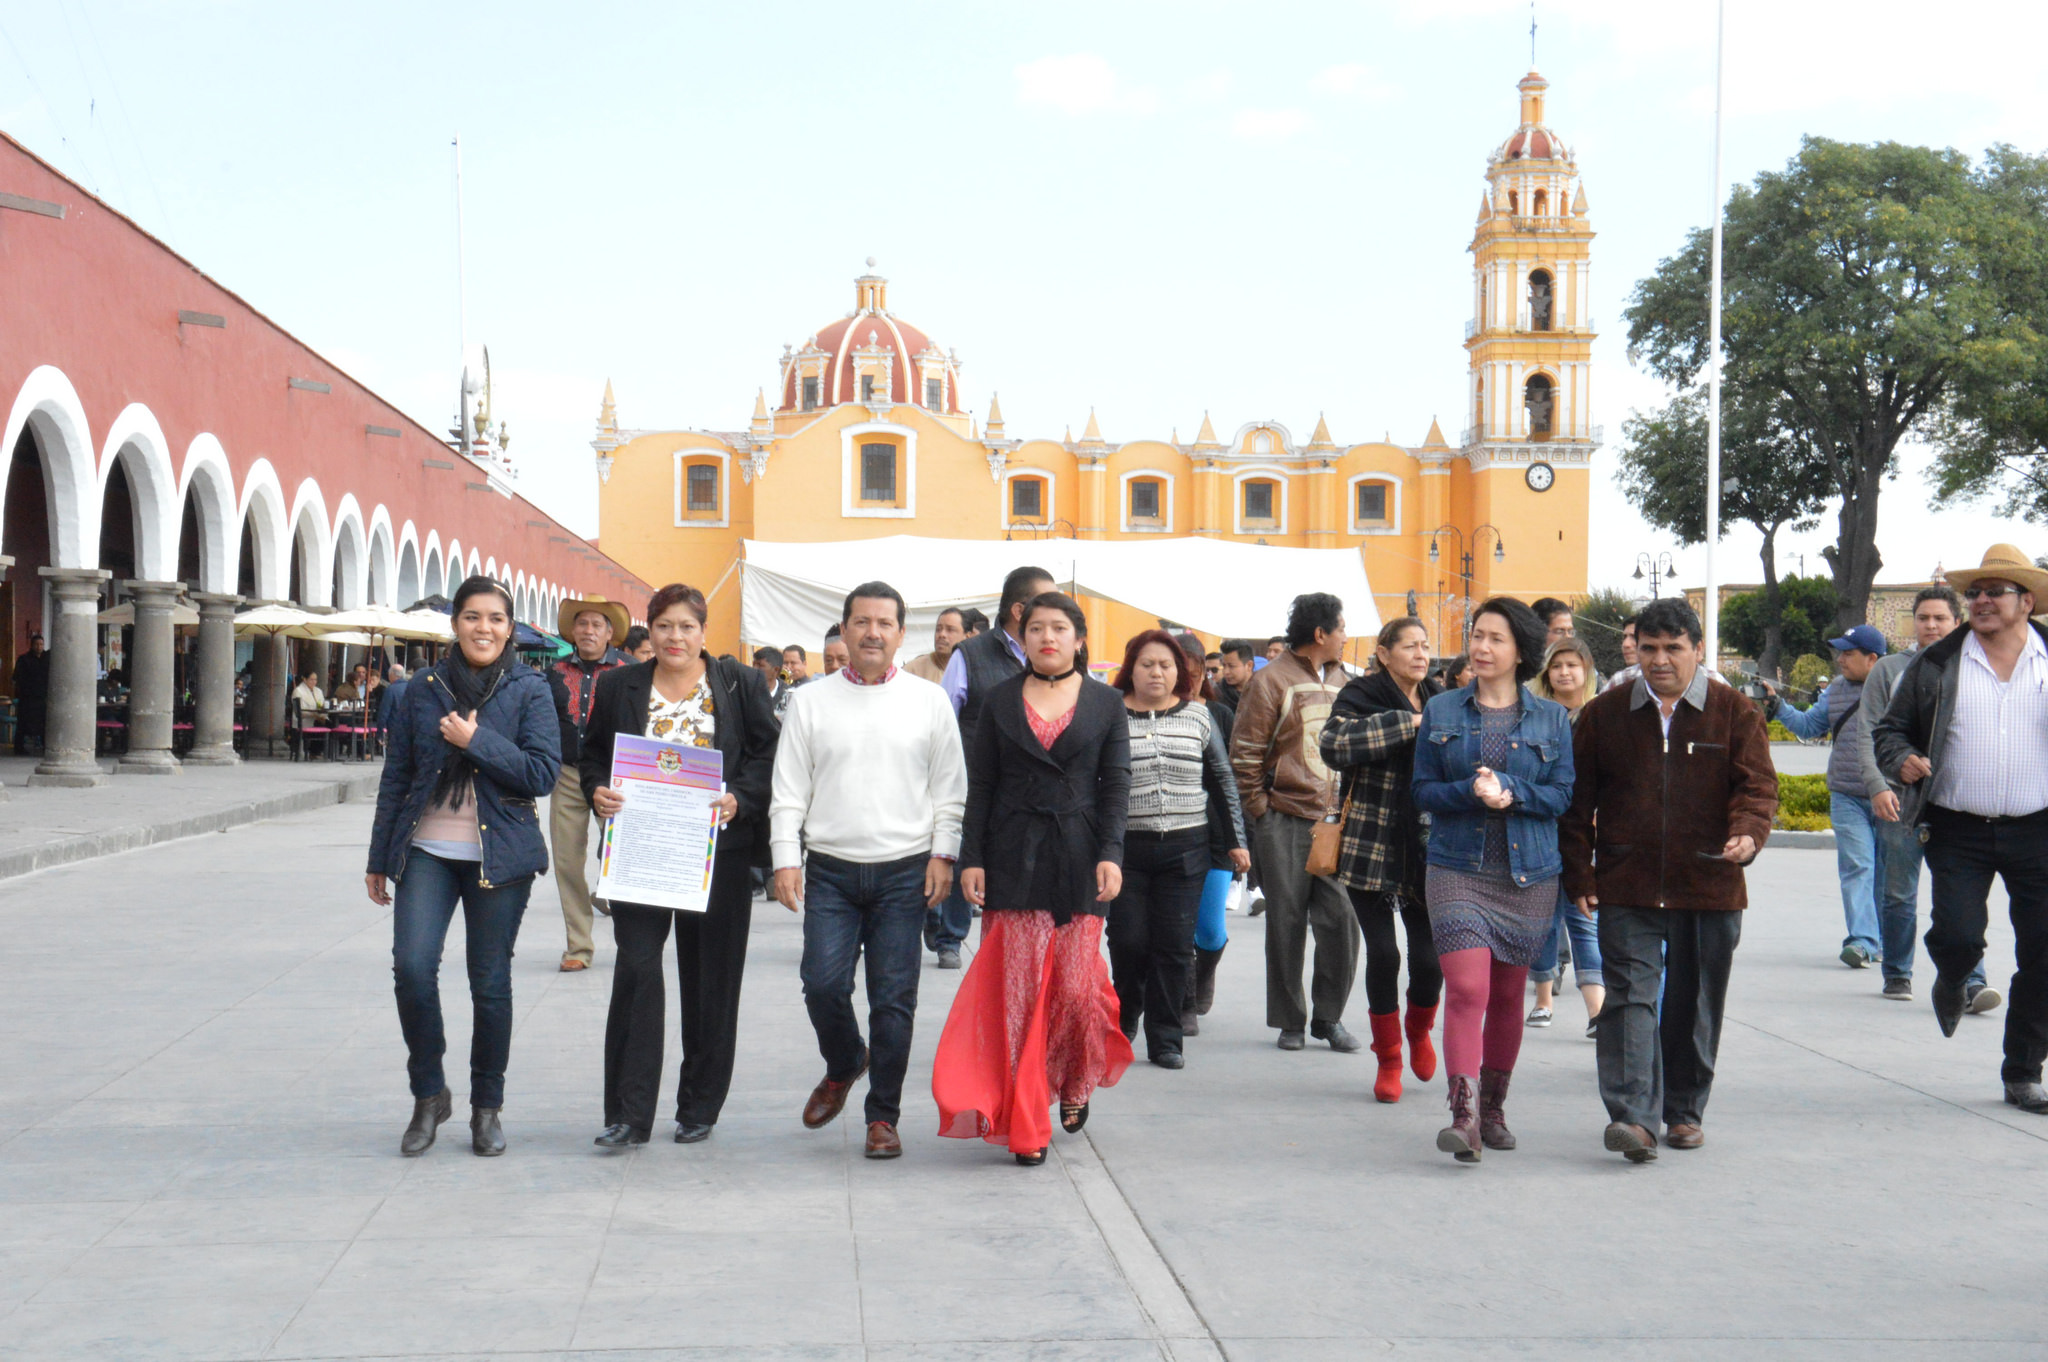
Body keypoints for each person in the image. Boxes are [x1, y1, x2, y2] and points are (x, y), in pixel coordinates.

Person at [1563, 599, 1777, 1162]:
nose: (1659, 660)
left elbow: (1757, 789)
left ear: (1698, 651)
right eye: (1649, 648)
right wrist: (1580, 872)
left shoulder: (1735, 713)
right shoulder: (1604, 715)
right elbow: (1575, 802)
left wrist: (1749, 835)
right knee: (1630, 999)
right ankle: (1634, 1119)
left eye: (1673, 649)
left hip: (1708, 883)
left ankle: (1683, 1110)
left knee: (1694, 1002)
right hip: (1625, 880)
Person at [365, 575, 561, 1158]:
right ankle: (429, 1095)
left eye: (496, 619)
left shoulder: (530, 690)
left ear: (511, 628)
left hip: (500, 853)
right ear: (455, 624)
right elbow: (396, 776)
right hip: (426, 848)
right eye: (473, 617)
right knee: (412, 968)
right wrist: (379, 856)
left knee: (489, 983)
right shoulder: (419, 690)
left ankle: (486, 1107)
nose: (484, 628)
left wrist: (477, 741)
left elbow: (542, 774)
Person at [934, 592, 1132, 1164]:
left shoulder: (1104, 702)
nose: (1047, 636)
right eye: (1036, 628)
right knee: (1019, 991)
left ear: (1079, 640)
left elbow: (1115, 786)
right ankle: (1028, 1116)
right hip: (1012, 854)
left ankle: (1075, 1078)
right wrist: (971, 858)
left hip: (1080, 855)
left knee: (1073, 987)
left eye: (1059, 628)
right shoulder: (999, 700)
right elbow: (983, 786)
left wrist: (1112, 853)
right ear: (1021, 638)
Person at [771, 581, 966, 1160]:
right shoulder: (810, 701)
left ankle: (883, 1115)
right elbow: (789, 791)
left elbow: (948, 789)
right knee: (823, 984)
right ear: (844, 630)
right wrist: (786, 858)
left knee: (894, 999)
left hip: (904, 872)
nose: (873, 632)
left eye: (885, 623)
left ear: (902, 634)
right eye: (861, 622)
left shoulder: (928, 702)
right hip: (830, 869)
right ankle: (843, 1060)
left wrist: (943, 853)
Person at [583, 583, 779, 1146]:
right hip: (642, 850)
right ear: (650, 630)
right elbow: (593, 754)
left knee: (710, 980)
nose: (675, 637)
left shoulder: (737, 683)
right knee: (638, 970)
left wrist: (740, 796)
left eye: (686, 626)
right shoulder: (621, 685)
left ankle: (699, 1104)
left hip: (717, 851)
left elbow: (769, 753)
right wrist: (599, 789)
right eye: (664, 625)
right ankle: (627, 1112)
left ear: (703, 630)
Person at [1872, 545, 2048, 1115]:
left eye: (1994, 591)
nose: (1981, 600)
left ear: (2027, 601)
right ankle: (1952, 977)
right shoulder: (1938, 663)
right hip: (1957, 828)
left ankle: (2023, 1071)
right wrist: (1900, 759)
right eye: (1974, 592)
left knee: (2045, 956)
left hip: (2039, 830)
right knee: (1958, 935)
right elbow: (1890, 730)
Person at [1412, 598, 1575, 1161]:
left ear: (1520, 651)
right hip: (1456, 867)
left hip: (1528, 873)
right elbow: (1422, 791)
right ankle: (1463, 1115)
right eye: (1477, 636)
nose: (1481, 648)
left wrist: (1512, 791)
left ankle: (1494, 1110)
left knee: (1507, 995)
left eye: (1495, 639)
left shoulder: (1552, 719)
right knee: (1467, 990)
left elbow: (1561, 796)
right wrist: (1469, 792)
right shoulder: (1442, 711)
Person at [1106, 630, 1247, 1068]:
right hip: (1126, 847)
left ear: (1180, 673)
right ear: (1131, 668)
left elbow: (1223, 781)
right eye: (1147, 664)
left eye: (1166, 665)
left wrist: (1237, 842)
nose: (1157, 672)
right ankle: (1127, 1015)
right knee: (1128, 940)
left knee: (1172, 945)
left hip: (1187, 848)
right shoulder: (1110, 716)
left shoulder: (1198, 718)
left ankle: (1166, 1038)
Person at [1320, 616, 1443, 1104]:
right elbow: (1334, 746)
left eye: (1426, 645)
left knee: (1430, 960)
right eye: (1410, 645)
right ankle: (1388, 1058)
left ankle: (1418, 1029)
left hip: (1427, 845)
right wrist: (1409, 724)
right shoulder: (1361, 694)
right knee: (1385, 953)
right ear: (1384, 652)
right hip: (1368, 843)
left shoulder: (1440, 698)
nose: (1421, 653)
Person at [1230, 592, 1360, 1053]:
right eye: (1342, 628)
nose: (1346, 637)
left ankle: (1329, 1017)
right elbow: (1244, 752)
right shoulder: (1270, 681)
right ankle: (1290, 1021)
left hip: (1335, 823)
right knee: (1286, 922)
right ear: (1321, 634)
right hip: (1283, 819)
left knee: (1343, 921)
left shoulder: (1347, 681)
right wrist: (1261, 809)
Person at [1852, 586, 1993, 1006]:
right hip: (1901, 800)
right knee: (1899, 893)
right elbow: (1868, 732)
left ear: (1956, 621)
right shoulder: (1890, 670)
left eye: (1940, 619)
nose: (1931, 625)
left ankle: (1970, 981)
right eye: (1923, 618)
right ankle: (1897, 972)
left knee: (1963, 901)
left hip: (1956, 804)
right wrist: (1878, 785)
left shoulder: (1973, 667)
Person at [934, 566, 1056, 967]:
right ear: (1020, 610)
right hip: (975, 780)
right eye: (1045, 602)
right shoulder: (970, 655)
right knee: (965, 852)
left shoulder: (1055, 655)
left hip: (1034, 789)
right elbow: (945, 721)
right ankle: (950, 937)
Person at [1770, 624, 1891, 969]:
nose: (1840, 659)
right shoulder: (1836, 690)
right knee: (1857, 866)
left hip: (1891, 797)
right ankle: (1862, 941)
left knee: (1885, 874)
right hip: (1847, 795)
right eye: (1839, 652)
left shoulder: (1898, 689)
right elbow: (1810, 727)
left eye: (1848, 653)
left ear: (1872, 658)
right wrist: (1777, 705)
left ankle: (1884, 940)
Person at [1526, 636, 1606, 1034]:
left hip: (1585, 832)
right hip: (1541, 827)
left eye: (1572, 665)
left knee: (1583, 915)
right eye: (1557, 666)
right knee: (1543, 918)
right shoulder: (1535, 714)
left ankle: (1597, 1012)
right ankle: (1543, 999)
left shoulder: (1602, 714)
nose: (1564, 673)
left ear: (1587, 671)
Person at [549, 595, 632, 972]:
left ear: (610, 633)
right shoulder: (553, 672)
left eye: (597, 624)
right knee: (567, 861)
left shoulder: (630, 671)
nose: (588, 630)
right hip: (568, 774)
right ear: (572, 630)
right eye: (581, 623)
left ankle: (635, 943)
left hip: (615, 777)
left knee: (624, 860)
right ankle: (578, 947)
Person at [905, 607, 967, 684]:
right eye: (938, 629)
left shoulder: (971, 670)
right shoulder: (913, 670)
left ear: (966, 636)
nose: (942, 634)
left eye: (950, 630)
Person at [12, 630, 47, 756]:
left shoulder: (46, 659)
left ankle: (45, 746)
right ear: (32, 645)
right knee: (23, 722)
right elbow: (17, 677)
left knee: (44, 723)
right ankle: (19, 747)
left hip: (42, 697)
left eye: (41, 644)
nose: (39, 647)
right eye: (37, 644)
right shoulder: (24, 659)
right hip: (28, 697)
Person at [1214, 640, 1257, 710]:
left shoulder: (1262, 693)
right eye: (1224, 666)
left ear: (1249, 665)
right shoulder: (1217, 694)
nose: (1226, 672)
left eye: (1231, 666)